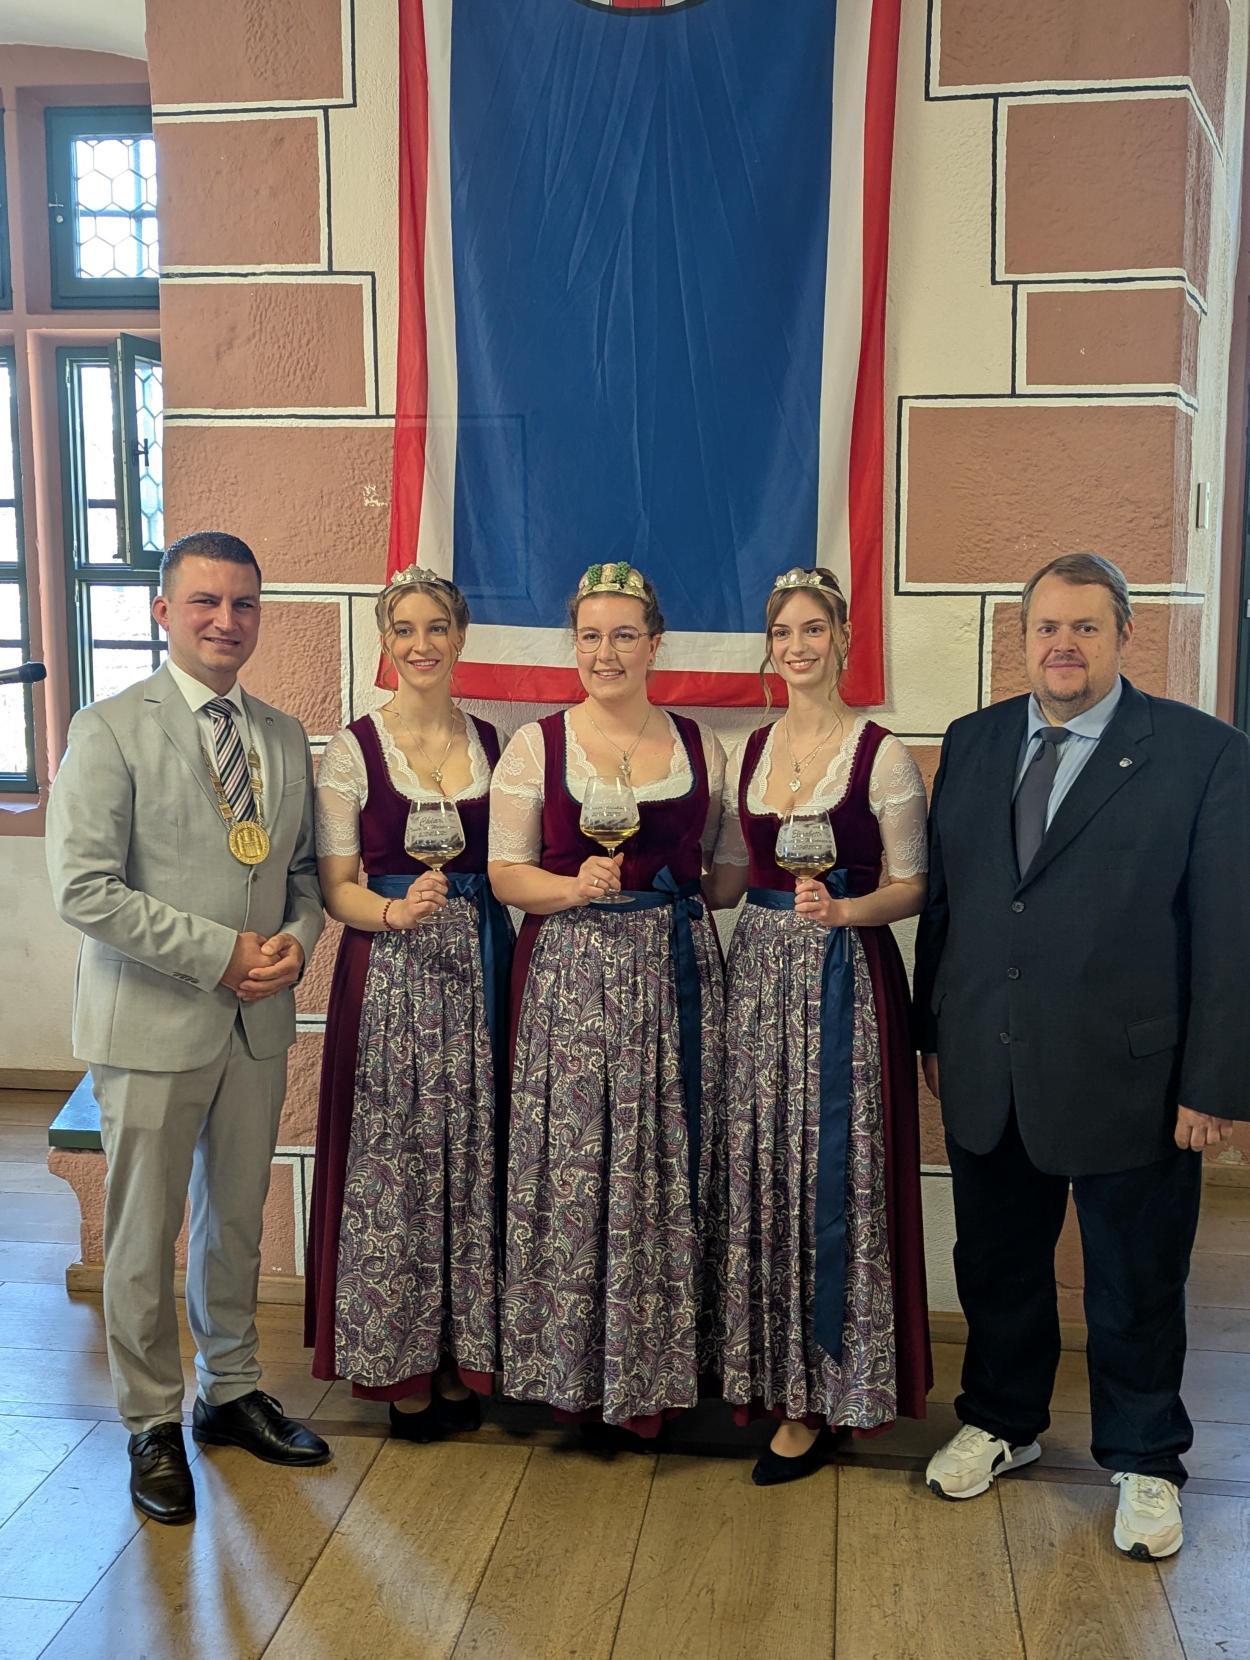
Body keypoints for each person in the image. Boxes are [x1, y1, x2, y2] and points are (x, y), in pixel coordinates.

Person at [915, 552, 1250, 1560]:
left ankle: (1145, 1461)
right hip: (988, 1059)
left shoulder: (1201, 754)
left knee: (1132, 1280)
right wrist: (935, 1028)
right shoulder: (972, 745)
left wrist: (1215, 1085)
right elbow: (950, 901)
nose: (1060, 646)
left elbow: (1226, 933)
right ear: (1021, 638)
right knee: (998, 1264)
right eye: (1044, 628)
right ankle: (1001, 1421)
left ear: (1120, 636)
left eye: (1084, 628)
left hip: (1132, 1078)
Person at [46, 531, 329, 1526]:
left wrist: (293, 941)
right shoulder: (111, 728)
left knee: (236, 1221)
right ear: (162, 612)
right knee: (141, 1232)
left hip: (256, 1023)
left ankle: (231, 1390)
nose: (226, 620)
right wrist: (220, 953)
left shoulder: (285, 737)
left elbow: (301, 878)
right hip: (154, 1022)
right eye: (204, 601)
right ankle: (150, 1421)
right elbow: (84, 889)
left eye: (244, 604)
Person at [487, 562, 728, 1437]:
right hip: (574, 979)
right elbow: (504, 874)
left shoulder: (703, 744)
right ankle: (573, 1371)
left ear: (656, 643)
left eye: (624, 634)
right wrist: (570, 885)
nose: (606, 651)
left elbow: (728, 870)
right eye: (590, 635)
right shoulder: (536, 746)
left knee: (663, 1165)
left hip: (672, 971)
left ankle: (656, 1373)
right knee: (580, 1168)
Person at [705, 567, 932, 1484]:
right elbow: (727, 877)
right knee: (764, 1170)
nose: (798, 647)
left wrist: (845, 914)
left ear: (844, 639)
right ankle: (768, 1375)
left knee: (834, 1175)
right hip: (758, 978)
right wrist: (644, 880)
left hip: (843, 977)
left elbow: (914, 886)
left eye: (814, 630)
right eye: (784, 633)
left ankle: (835, 1391)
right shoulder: (751, 748)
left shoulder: (882, 754)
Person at [305, 566, 512, 1440]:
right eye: (404, 631)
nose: (421, 645)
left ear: (461, 640)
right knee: (396, 1166)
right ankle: (402, 1369)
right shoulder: (355, 749)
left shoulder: (497, 742)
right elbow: (335, 888)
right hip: (390, 973)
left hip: (481, 967)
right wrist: (394, 912)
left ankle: (465, 1356)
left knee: (472, 1157)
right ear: (386, 645)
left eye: (437, 628)